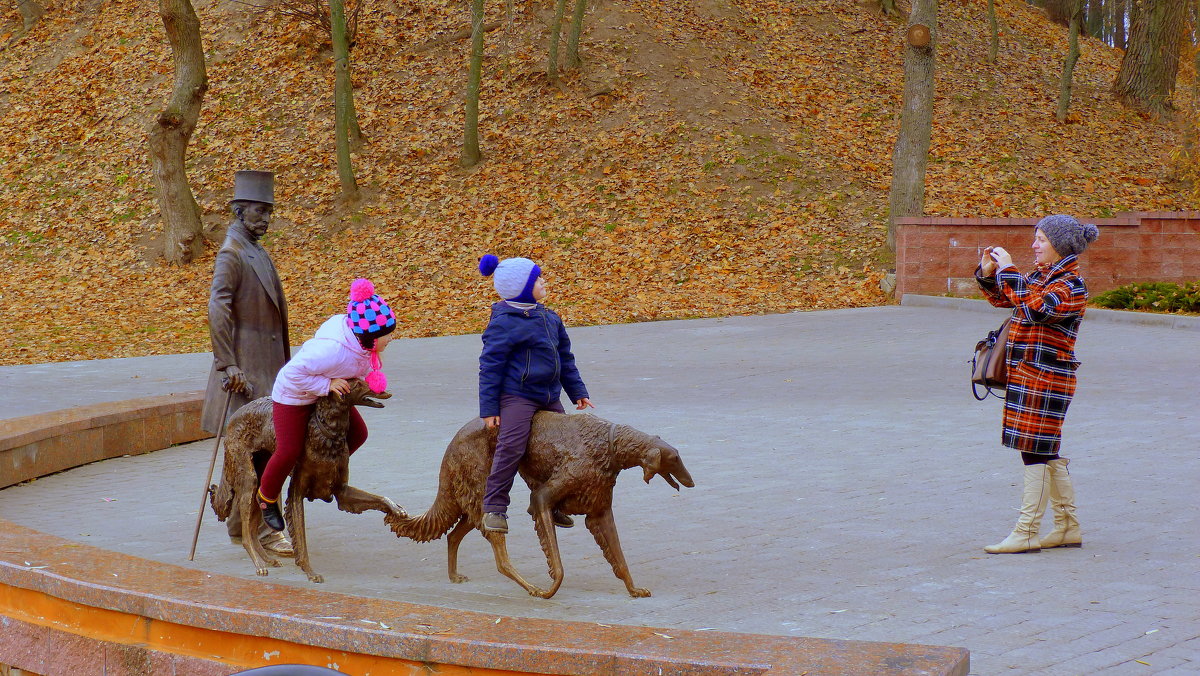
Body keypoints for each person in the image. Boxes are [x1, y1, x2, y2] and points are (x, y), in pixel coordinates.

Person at [975, 214, 1099, 554]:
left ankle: (1026, 531)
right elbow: (1009, 299)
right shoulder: (1042, 276)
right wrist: (990, 273)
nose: (1034, 245)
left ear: (1059, 246)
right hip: (1029, 374)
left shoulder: (1071, 284)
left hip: (1047, 377)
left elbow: (1037, 310)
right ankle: (1067, 527)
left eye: (1041, 239)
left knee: (1033, 452)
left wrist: (1011, 272)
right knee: (1046, 450)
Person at [255, 278, 396, 532]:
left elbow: (361, 368)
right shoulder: (331, 351)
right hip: (295, 395)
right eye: (387, 335)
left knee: (359, 434)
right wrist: (326, 385)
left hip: (328, 396)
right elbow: (291, 374)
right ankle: (266, 497)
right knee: (289, 449)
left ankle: (318, 472)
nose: (391, 339)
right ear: (370, 337)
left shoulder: (364, 345)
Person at [202, 170, 294, 556]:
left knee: (263, 451)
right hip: (246, 371)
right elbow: (217, 309)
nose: (266, 218)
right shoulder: (232, 253)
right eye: (260, 210)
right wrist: (228, 364)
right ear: (239, 211)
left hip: (268, 365)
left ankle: (246, 526)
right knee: (256, 452)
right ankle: (261, 529)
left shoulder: (256, 249)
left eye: (270, 211)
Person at [476, 254, 593, 534]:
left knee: (562, 446)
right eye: (537, 279)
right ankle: (494, 507)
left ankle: (548, 503)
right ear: (522, 288)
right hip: (517, 395)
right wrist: (489, 408)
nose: (544, 282)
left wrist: (577, 391)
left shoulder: (550, 318)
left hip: (549, 395)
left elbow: (565, 358)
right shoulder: (504, 323)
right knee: (512, 447)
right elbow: (490, 367)